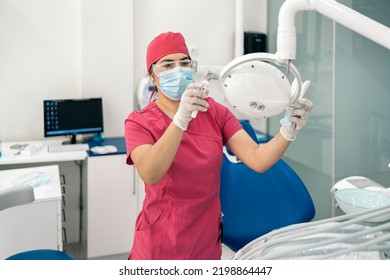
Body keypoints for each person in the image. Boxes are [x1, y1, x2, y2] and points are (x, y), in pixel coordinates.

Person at [124, 31, 313, 260]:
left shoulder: (214, 112)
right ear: (152, 76)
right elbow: (151, 173)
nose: (178, 69)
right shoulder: (139, 122)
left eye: (184, 63)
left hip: (206, 242)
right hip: (161, 245)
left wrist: (288, 131)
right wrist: (181, 119)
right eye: (167, 65)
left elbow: (257, 159)